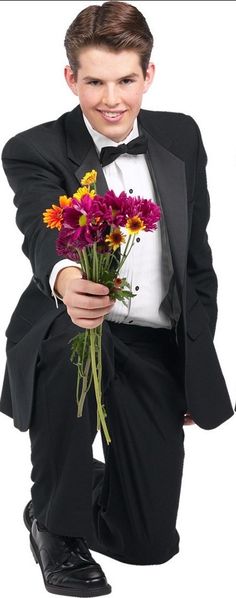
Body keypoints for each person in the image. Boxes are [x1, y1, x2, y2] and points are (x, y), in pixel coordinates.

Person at [1, 1, 234, 596]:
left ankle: (71, 490)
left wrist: (193, 366)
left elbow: (196, 262)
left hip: (152, 340)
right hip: (72, 326)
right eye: (95, 81)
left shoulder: (182, 133)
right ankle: (55, 523)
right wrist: (63, 277)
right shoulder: (33, 147)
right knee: (75, 330)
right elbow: (38, 226)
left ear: (148, 75)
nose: (111, 99)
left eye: (126, 79)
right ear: (70, 78)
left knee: (150, 545)